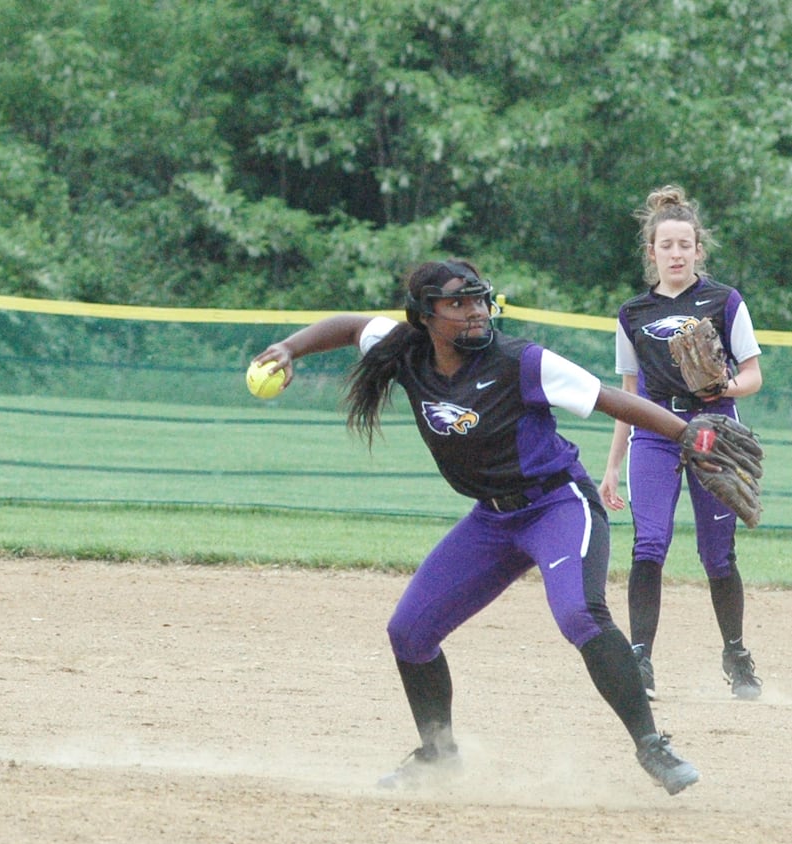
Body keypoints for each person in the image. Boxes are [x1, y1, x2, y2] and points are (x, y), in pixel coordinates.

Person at [252, 259, 701, 795]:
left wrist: (688, 434)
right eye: (457, 303)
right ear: (424, 315)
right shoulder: (406, 350)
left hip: (558, 504)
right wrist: (288, 349)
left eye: (479, 300)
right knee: (409, 634)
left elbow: (609, 399)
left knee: (580, 612)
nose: (475, 313)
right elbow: (351, 326)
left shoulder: (520, 361)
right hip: (493, 519)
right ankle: (437, 756)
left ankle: (652, 746)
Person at [601, 185, 764, 701]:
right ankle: (640, 660)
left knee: (718, 554)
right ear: (651, 251)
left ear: (699, 249)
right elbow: (629, 395)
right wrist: (611, 466)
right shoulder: (632, 314)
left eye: (684, 244)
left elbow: (753, 375)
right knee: (649, 544)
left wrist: (723, 388)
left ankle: (736, 654)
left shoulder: (723, 300)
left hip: (714, 430)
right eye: (665, 245)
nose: (675, 253)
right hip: (655, 433)